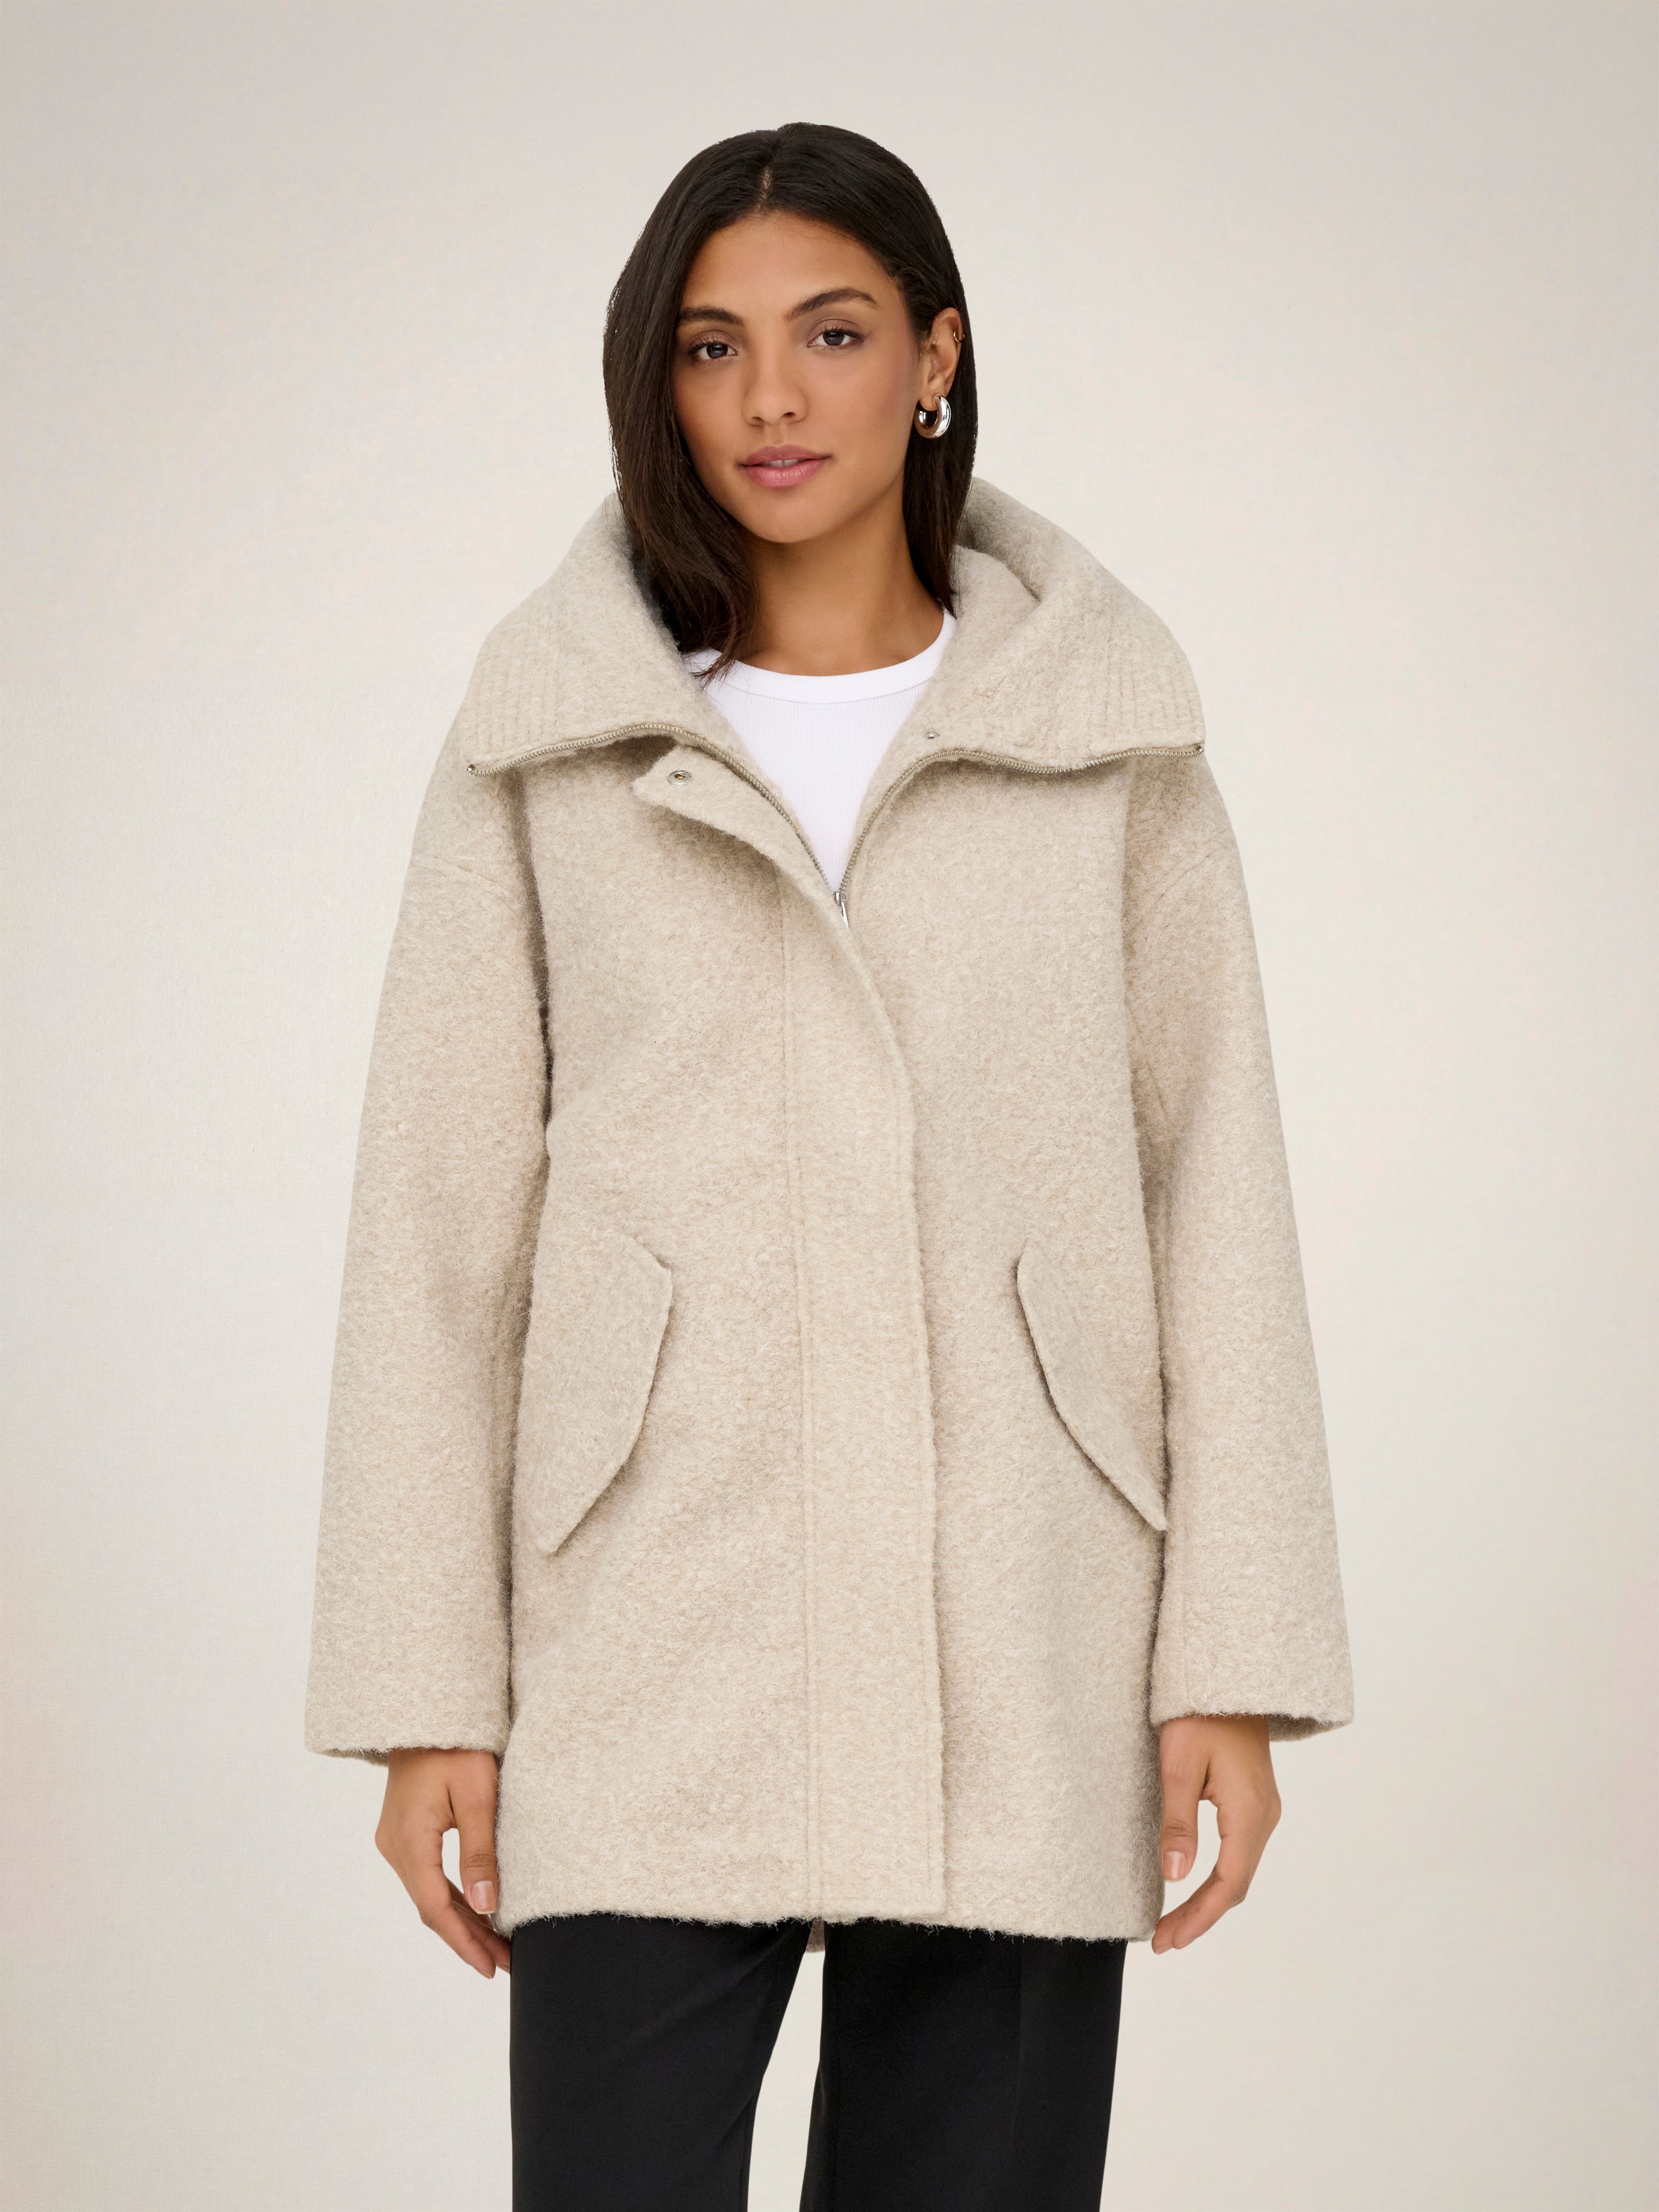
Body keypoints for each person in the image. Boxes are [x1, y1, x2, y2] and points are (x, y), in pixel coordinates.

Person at [305, 121, 1354, 2210]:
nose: (770, 397)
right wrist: (427, 1693)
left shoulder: (1105, 740)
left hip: (1023, 1626)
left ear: (935, 358)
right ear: (658, 381)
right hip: (645, 1619)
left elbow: (1215, 1197)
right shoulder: (553, 739)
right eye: (710, 347)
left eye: (834, 333)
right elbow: (437, 1228)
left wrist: (1229, 1664)